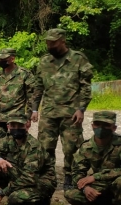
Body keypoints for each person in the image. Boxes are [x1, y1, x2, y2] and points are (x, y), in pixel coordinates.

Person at [32, 28, 93, 190]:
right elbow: (38, 87)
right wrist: (34, 109)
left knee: (71, 148)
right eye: (48, 42)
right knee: (45, 147)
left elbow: (86, 87)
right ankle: (47, 176)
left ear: (62, 41)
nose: (50, 45)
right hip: (49, 114)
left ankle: (70, 176)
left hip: (71, 114)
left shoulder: (78, 59)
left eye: (53, 42)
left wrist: (81, 109)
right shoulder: (44, 62)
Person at [0, 115, 57, 205]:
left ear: (27, 126)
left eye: (20, 126)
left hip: (41, 181)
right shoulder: (9, 139)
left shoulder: (34, 146)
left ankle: (42, 201)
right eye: (13, 125)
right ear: (8, 126)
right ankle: (16, 200)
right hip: (22, 173)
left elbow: (29, 178)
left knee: (15, 198)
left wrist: (1, 193)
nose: (16, 129)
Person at [65, 111, 121, 205]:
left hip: (116, 183)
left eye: (106, 125)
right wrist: (85, 188)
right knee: (71, 194)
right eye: (97, 124)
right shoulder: (86, 147)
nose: (100, 128)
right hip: (100, 186)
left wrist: (96, 176)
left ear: (114, 128)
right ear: (92, 125)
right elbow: (77, 172)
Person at [0, 49, 35, 146]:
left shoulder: (24, 74)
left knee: (17, 146)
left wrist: (28, 117)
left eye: (4, 59)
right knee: (0, 146)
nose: (0, 61)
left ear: (12, 58)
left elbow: (31, 97)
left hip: (16, 118)